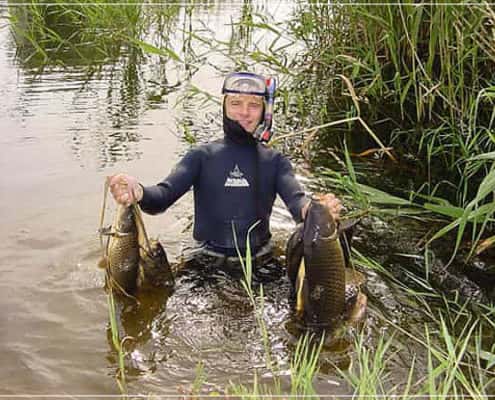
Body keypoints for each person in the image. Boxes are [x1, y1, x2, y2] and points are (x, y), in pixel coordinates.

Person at [108, 71, 342, 269]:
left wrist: (317, 210)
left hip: (261, 261)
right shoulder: (201, 156)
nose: (244, 112)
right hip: (204, 259)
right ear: (224, 106)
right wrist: (138, 191)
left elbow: (297, 203)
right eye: (236, 103)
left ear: (264, 111)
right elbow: (162, 196)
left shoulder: (275, 161)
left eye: (253, 105)